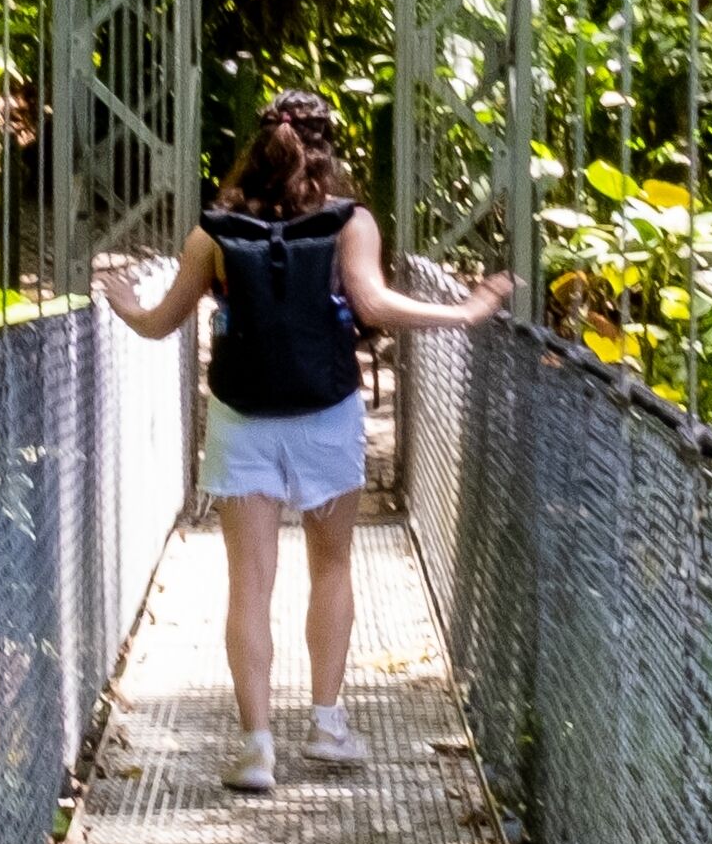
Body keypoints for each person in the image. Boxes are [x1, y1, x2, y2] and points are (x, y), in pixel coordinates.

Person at [99, 90, 509, 793]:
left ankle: (256, 746)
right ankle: (326, 724)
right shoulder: (352, 222)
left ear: (254, 148)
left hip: (241, 416)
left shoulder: (214, 231)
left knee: (248, 586)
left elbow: (161, 322)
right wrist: (466, 310)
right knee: (331, 568)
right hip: (326, 413)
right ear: (329, 149)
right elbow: (374, 304)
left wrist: (122, 298)